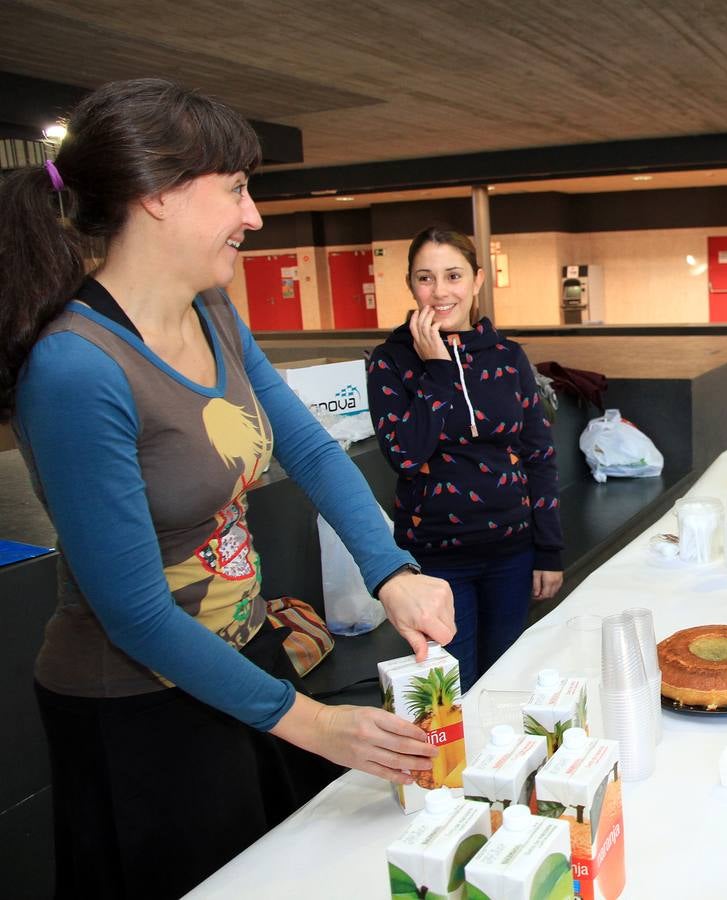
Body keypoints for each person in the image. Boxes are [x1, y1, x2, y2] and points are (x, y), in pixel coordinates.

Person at [0, 79, 459, 899]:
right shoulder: (76, 367)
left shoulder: (211, 307)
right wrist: (315, 724)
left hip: (241, 658)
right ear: (157, 195)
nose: (255, 216)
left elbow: (307, 446)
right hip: (136, 703)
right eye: (238, 189)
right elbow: (136, 616)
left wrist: (390, 570)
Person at [367, 226, 563, 691]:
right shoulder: (390, 361)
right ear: (411, 285)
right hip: (435, 560)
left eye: (453, 276)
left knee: (506, 682)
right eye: (426, 278)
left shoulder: (507, 356)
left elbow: (538, 456)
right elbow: (404, 455)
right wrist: (436, 368)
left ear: (477, 280)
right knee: (454, 692)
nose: (440, 291)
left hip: (512, 551)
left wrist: (549, 550)